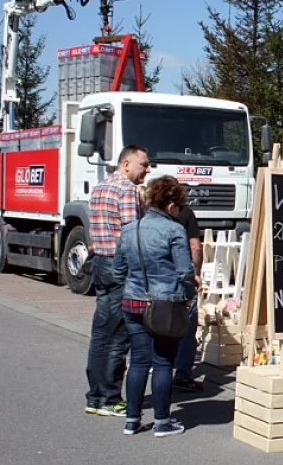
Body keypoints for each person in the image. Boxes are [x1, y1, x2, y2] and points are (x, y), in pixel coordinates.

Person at [114, 175, 196, 437]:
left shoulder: (129, 229)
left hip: (132, 301)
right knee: (162, 362)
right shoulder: (174, 230)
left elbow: (118, 270)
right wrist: (188, 295)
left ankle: (131, 420)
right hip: (165, 303)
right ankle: (162, 421)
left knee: (138, 361)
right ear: (171, 205)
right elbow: (185, 271)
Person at [84, 144, 150, 417]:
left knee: (100, 332)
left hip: (100, 261)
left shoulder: (100, 187)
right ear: (126, 164)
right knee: (118, 335)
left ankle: (95, 395)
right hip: (120, 267)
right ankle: (109, 398)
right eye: (144, 164)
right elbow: (131, 236)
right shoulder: (126, 190)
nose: (148, 169)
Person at [173, 204, 204, 392]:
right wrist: (196, 272)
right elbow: (196, 246)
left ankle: (155, 365)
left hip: (156, 281)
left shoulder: (147, 214)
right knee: (187, 325)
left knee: (154, 324)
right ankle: (183, 374)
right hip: (182, 278)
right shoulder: (186, 213)